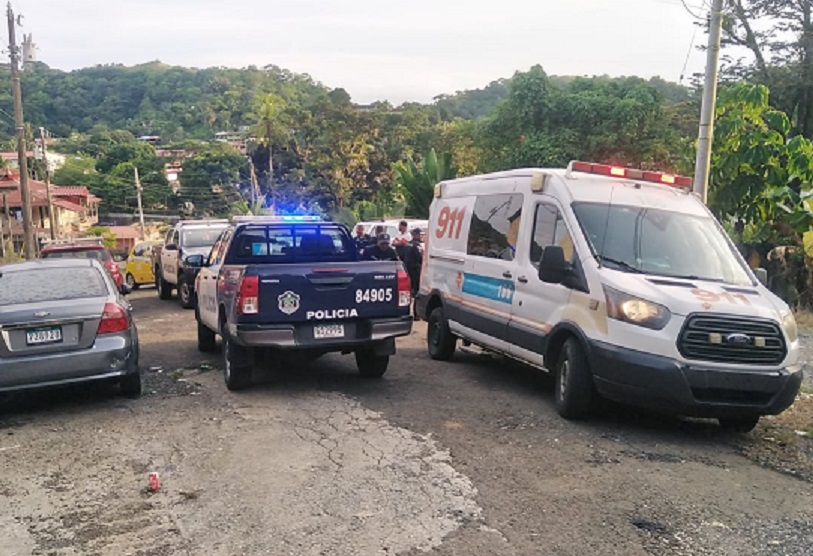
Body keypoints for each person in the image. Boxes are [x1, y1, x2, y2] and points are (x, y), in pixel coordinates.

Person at [402, 227, 424, 319]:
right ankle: (416, 314)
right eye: (420, 234)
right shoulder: (416, 245)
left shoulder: (407, 244)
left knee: (407, 291)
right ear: (415, 235)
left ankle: (405, 311)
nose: (421, 236)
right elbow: (420, 258)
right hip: (415, 270)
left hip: (407, 269)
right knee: (417, 291)